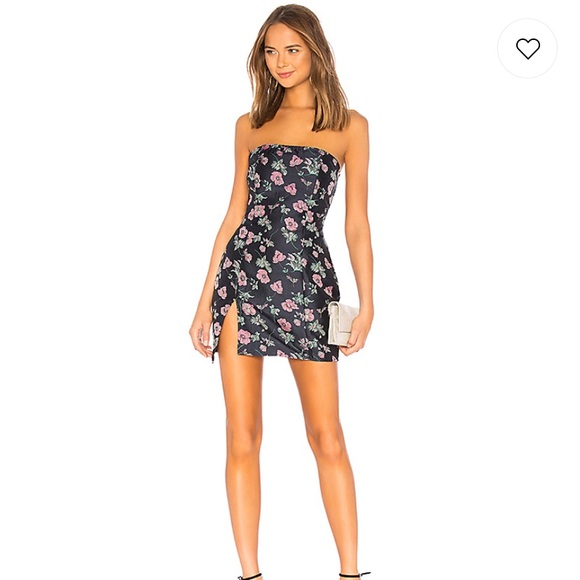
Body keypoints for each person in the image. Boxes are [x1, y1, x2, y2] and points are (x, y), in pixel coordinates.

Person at [189, 4, 373, 580]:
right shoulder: (249, 124)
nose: (281, 61)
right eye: (271, 51)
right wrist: (204, 301)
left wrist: (368, 304)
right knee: (242, 436)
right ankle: (250, 574)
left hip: (306, 285)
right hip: (242, 283)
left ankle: (350, 572)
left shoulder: (350, 125)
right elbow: (234, 215)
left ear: (315, 50)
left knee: (327, 435)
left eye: (292, 49)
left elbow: (357, 224)